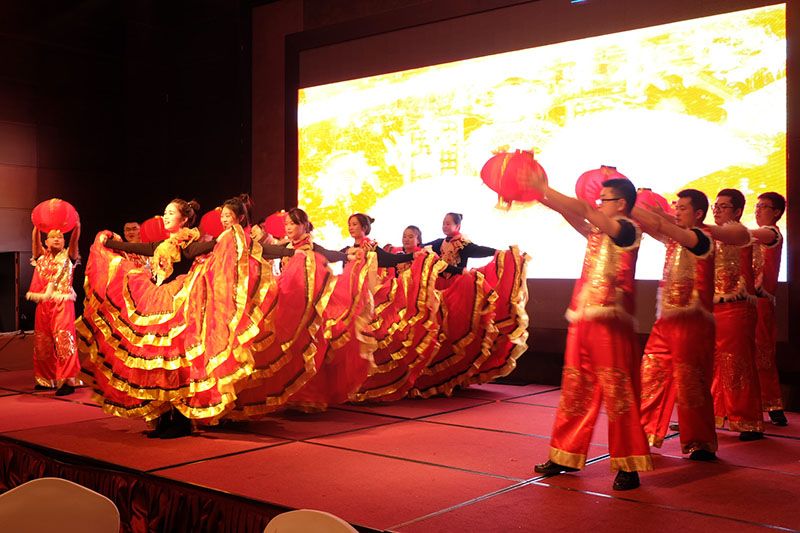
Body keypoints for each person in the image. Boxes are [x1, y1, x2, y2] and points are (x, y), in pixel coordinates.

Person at [530, 177, 651, 491]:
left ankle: (629, 464)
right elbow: (572, 213)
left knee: (618, 393)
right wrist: (536, 194)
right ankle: (565, 454)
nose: (598, 204)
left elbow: (583, 209)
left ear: (621, 203)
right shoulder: (599, 232)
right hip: (583, 318)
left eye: (604, 199)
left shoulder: (628, 229)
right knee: (575, 389)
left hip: (611, 323)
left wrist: (544, 187)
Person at [634, 189, 745, 461]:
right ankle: (644, 433)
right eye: (676, 207)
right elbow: (656, 226)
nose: (677, 212)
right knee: (650, 374)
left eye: (682, 208)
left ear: (698, 214)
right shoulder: (675, 238)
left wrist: (631, 203)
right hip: (666, 321)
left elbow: (660, 224)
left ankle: (700, 442)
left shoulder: (701, 237)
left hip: (692, 323)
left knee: (690, 383)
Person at [710, 188, 763, 440]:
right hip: (713, 307)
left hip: (736, 307)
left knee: (737, 364)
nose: (717, 211)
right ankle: (714, 414)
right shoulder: (714, 237)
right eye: (716, 207)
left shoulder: (740, 233)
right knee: (714, 365)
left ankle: (747, 421)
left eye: (723, 207)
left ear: (738, 211)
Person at [26, 220, 82, 396]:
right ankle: (45, 379)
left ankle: (68, 381)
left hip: (63, 304)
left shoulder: (69, 256)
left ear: (64, 241)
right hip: (43, 304)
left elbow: (75, 241)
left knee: (64, 340)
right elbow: (35, 241)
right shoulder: (40, 257)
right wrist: (37, 225)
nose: (57, 239)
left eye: (60, 237)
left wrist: (77, 227)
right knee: (42, 342)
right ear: (46, 241)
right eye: (52, 237)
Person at [750, 192, 787, 426]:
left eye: (764, 206)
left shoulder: (771, 233)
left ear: (776, 212)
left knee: (762, 354)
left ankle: (774, 405)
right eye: (757, 206)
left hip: (761, 303)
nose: (758, 210)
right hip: (746, 303)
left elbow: (743, 236)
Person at [424, 213, 496, 289]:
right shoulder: (439, 242)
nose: (444, 226)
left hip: (456, 284)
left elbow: (478, 250)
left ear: (457, 226)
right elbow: (422, 247)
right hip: (438, 283)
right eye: (443, 224)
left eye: (448, 224)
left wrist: (495, 252)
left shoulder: (463, 244)